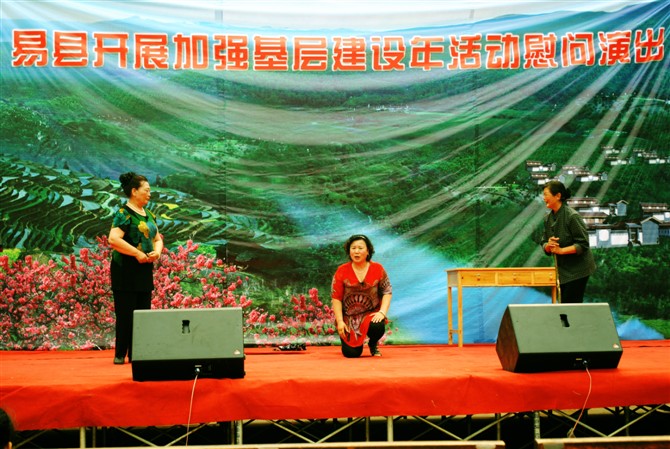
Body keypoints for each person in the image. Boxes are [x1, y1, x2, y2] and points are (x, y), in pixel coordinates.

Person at [108, 172, 163, 364]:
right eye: (146, 190)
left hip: (144, 270)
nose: (149, 194)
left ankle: (137, 353)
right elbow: (113, 239)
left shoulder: (149, 215)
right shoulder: (123, 214)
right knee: (125, 314)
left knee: (142, 314)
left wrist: (157, 253)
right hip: (125, 270)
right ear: (134, 191)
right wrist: (136, 253)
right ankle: (120, 354)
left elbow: (158, 239)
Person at [331, 234, 392, 357]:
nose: (356, 251)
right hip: (349, 316)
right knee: (351, 354)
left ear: (368, 251)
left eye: (360, 248)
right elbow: (336, 298)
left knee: (377, 325)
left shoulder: (378, 268)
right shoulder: (341, 270)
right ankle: (350, 342)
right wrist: (340, 321)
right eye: (353, 248)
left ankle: (373, 344)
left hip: (370, 313)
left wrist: (382, 312)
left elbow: (387, 291)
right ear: (349, 251)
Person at [541, 180, 596, 303]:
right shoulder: (547, 218)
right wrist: (548, 246)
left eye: (546, 194)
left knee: (570, 305)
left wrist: (560, 251)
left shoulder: (572, 216)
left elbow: (583, 244)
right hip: (563, 271)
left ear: (558, 196)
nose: (543, 198)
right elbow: (543, 242)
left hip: (579, 270)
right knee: (565, 305)